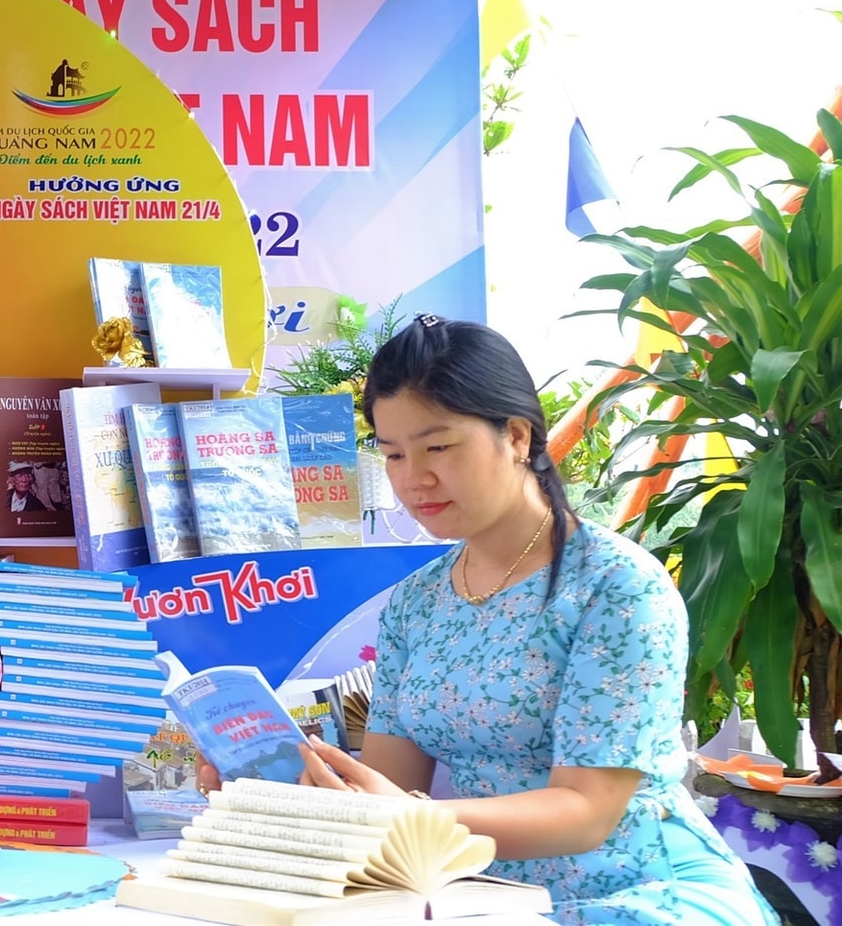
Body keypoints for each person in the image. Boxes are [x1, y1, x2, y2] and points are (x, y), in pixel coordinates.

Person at [200, 316, 773, 924]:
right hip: (472, 893)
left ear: (518, 436)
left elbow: (587, 811)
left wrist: (411, 818)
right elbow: (390, 785)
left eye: (438, 447)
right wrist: (274, 793)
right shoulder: (417, 601)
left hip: (635, 891)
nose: (413, 478)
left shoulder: (617, 586)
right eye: (392, 454)